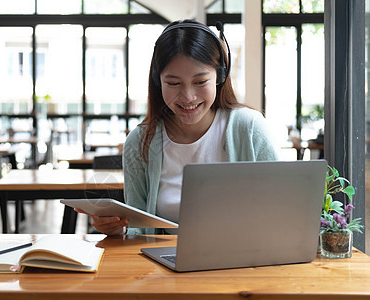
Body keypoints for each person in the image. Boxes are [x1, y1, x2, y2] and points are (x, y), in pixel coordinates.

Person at [75, 19, 281, 235]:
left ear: (220, 76)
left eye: (200, 82)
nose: (188, 96)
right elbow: (138, 231)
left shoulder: (248, 128)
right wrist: (118, 230)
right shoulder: (139, 142)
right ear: (157, 81)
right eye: (173, 83)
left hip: (243, 262)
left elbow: (284, 208)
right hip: (162, 264)